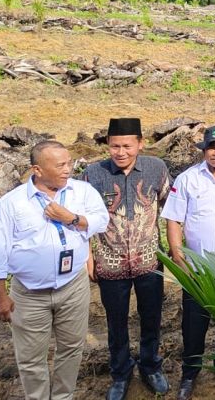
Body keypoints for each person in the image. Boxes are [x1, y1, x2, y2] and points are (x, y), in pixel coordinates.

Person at [0, 141, 109, 400]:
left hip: (73, 286)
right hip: (28, 293)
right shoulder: (12, 204)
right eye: (60, 165)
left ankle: (64, 396)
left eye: (70, 162)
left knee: (72, 348)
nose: (68, 169)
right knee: (30, 358)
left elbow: (102, 220)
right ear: (37, 169)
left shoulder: (81, 192)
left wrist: (71, 218)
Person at [81, 118, 172, 400]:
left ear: (140, 144)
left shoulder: (157, 168)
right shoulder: (92, 173)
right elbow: (81, 219)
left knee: (151, 317)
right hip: (109, 260)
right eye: (114, 146)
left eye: (127, 146)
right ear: (108, 146)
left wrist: (174, 249)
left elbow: (172, 207)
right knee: (115, 321)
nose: (121, 152)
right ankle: (120, 373)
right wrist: (88, 257)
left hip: (149, 261)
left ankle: (150, 365)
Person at [162, 125, 215, 400]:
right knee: (193, 325)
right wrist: (177, 254)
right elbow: (174, 219)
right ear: (204, 150)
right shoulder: (188, 179)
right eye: (211, 147)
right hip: (197, 269)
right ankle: (190, 373)